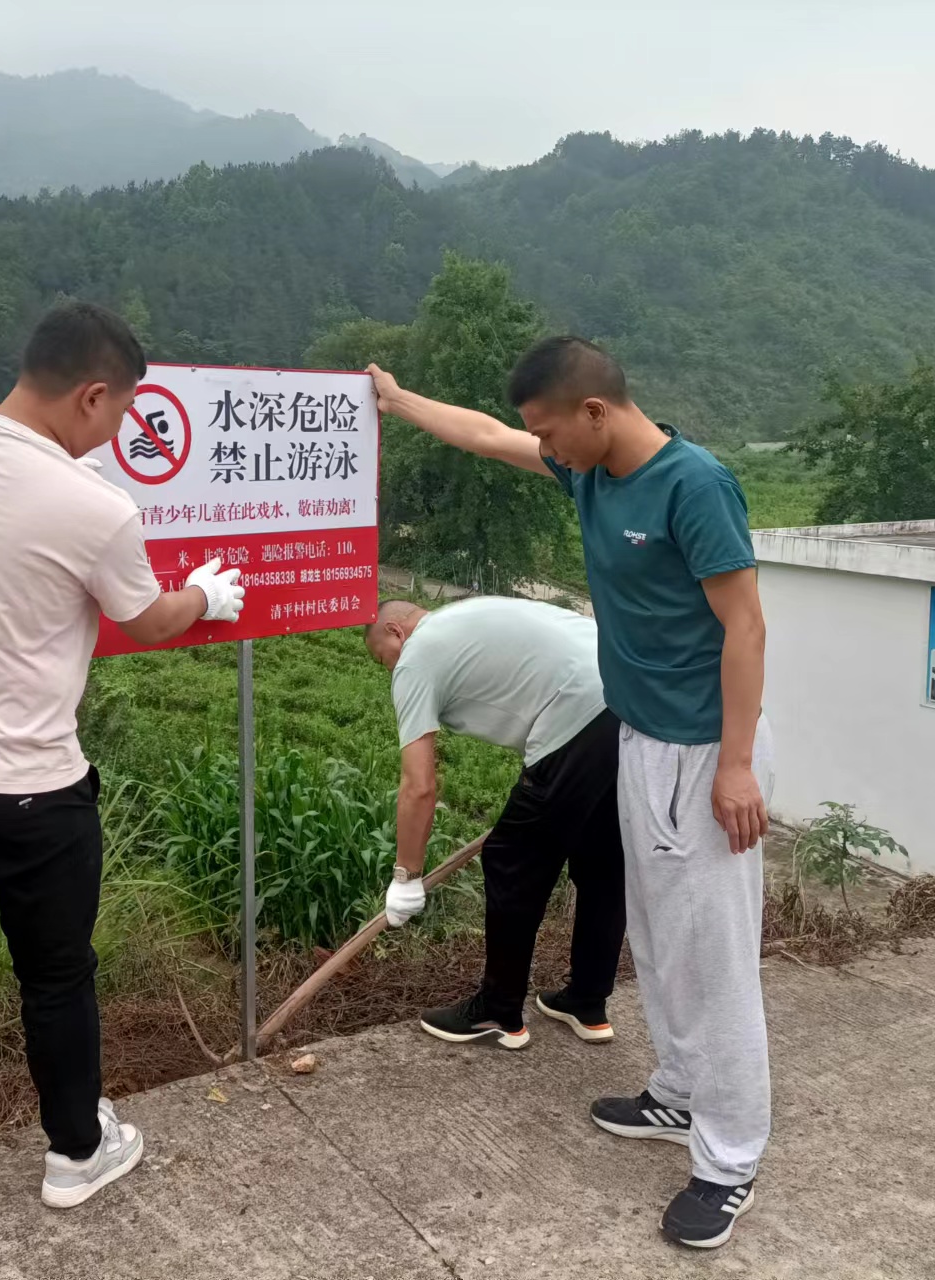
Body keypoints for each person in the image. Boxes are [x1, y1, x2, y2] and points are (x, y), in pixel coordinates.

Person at [0, 302, 246, 1213]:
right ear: (93, 396)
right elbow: (147, 619)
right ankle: (75, 1153)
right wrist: (204, 596)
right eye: (122, 412)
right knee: (56, 974)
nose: (120, 432)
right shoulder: (96, 507)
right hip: (28, 792)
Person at [368, 339, 772, 1252]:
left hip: (705, 748)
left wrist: (737, 763)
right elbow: (483, 434)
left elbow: (745, 626)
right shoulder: (589, 473)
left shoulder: (693, 485)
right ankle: (678, 1093)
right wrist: (396, 399)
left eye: (549, 431)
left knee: (712, 956)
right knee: (659, 939)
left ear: (594, 412)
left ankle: (730, 1157)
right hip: (638, 738)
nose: (542, 448)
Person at [365, 596, 624, 1050]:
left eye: (383, 659)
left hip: (574, 715)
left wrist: (406, 876)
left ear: (395, 631)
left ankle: (498, 1011)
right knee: (601, 862)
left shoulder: (417, 656)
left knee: (510, 858)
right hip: (625, 697)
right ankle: (587, 1002)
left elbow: (419, 786)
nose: (389, 670)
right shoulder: (468, 615)